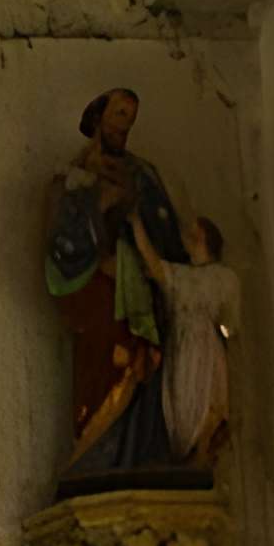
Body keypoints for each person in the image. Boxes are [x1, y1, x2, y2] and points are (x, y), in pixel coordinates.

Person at [43, 88, 189, 489]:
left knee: (149, 366)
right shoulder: (77, 174)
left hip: (141, 287)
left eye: (131, 116)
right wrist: (100, 208)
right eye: (118, 113)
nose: (124, 123)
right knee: (107, 361)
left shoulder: (144, 174)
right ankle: (96, 455)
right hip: (100, 292)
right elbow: (61, 242)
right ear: (98, 117)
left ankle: (145, 453)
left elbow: (167, 234)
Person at [135, 213, 237, 467]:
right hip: (181, 347)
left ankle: (200, 457)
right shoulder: (181, 275)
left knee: (206, 405)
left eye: (189, 231)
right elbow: (154, 264)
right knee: (181, 404)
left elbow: (231, 325)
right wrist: (136, 222)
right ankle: (187, 458)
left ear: (200, 237)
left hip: (203, 347)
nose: (183, 236)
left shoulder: (224, 278)